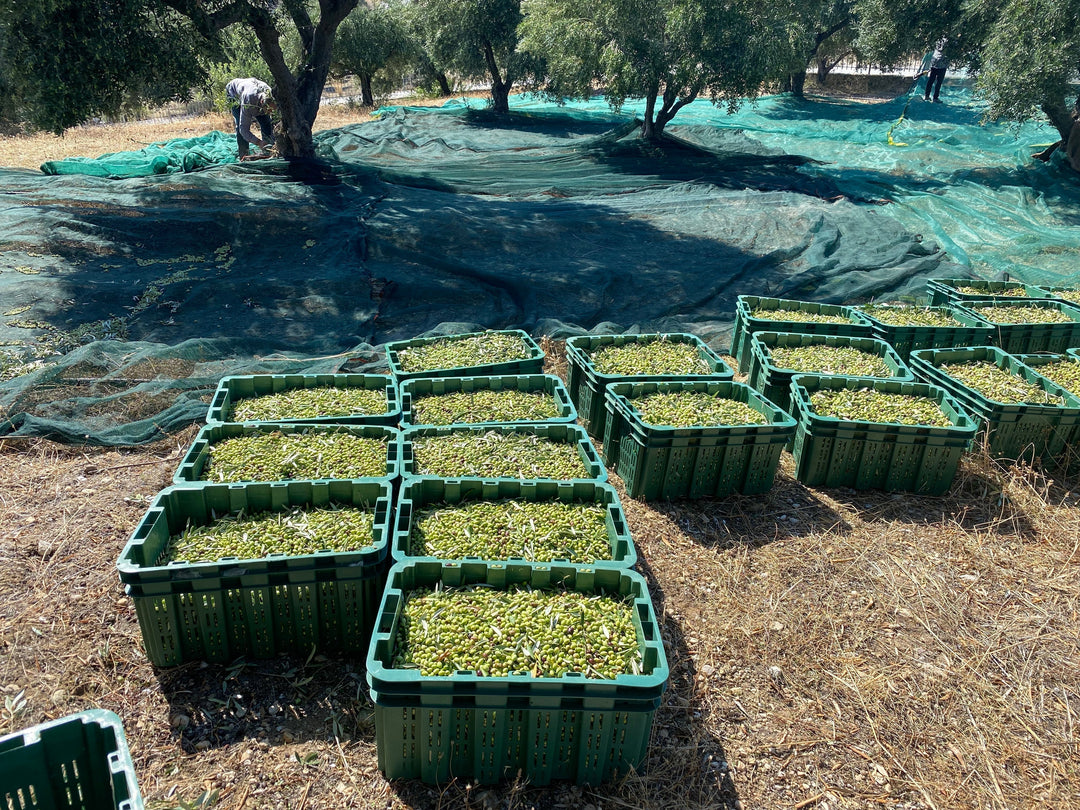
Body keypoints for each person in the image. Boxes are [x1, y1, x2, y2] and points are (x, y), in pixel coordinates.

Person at [225, 78, 276, 159]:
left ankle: (267, 151)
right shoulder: (248, 102)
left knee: (266, 123)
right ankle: (244, 155)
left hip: (250, 89)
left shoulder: (270, 94)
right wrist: (258, 142)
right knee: (240, 126)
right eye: (269, 110)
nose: (270, 112)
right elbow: (244, 130)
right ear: (262, 103)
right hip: (233, 93)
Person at [924, 37, 949, 103]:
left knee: (931, 80)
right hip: (942, 62)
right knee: (939, 82)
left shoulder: (938, 38)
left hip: (934, 61)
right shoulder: (950, 40)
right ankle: (935, 98)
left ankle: (927, 96)